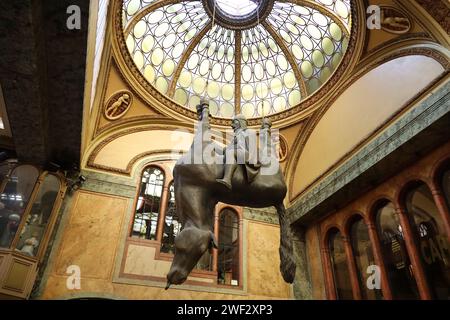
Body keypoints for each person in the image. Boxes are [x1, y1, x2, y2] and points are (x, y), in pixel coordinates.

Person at [216, 114, 260, 189]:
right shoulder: (237, 135)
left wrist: (230, 149)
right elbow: (230, 148)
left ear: (241, 122)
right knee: (216, 148)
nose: (231, 125)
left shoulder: (250, 132)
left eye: (234, 122)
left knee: (231, 152)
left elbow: (249, 148)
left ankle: (227, 179)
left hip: (248, 155)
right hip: (238, 152)